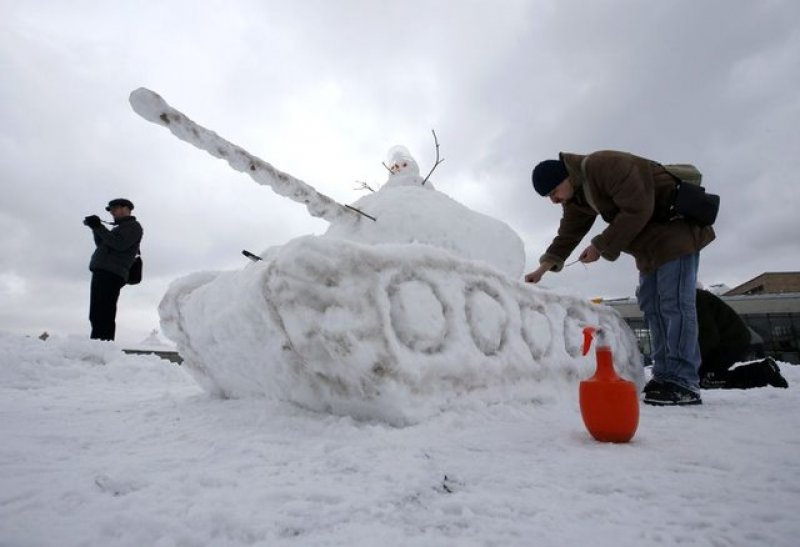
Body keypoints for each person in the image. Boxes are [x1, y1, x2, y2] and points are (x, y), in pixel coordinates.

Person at [525, 151, 715, 406]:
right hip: (649, 247)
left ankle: (684, 380)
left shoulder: (605, 165)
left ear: (566, 177)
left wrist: (600, 246)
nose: (553, 200)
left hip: (675, 234)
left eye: (553, 192)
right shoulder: (578, 198)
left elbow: (639, 207)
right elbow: (568, 234)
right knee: (652, 305)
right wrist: (542, 268)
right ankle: (664, 375)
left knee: (675, 304)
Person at [696, 288, 788, 389]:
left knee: (705, 378)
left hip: (731, 341)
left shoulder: (695, 299)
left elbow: (707, 334)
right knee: (702, 377)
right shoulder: (691, 298)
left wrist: (694, 358)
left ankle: (764, 371)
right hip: (728, 339)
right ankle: (764, 371)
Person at [84, 198, 143, 341]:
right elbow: (103, 244)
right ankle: (98, 346)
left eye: (113, 209)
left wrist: (99, 227)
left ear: (125, 209)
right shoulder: (119, 228)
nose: (112, 213)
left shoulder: (133, 226)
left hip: (111, 273)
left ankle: (102, 348)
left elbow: (119, 244)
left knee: (103, 313)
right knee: (97, 313)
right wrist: (95, 228)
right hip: (105, 271)